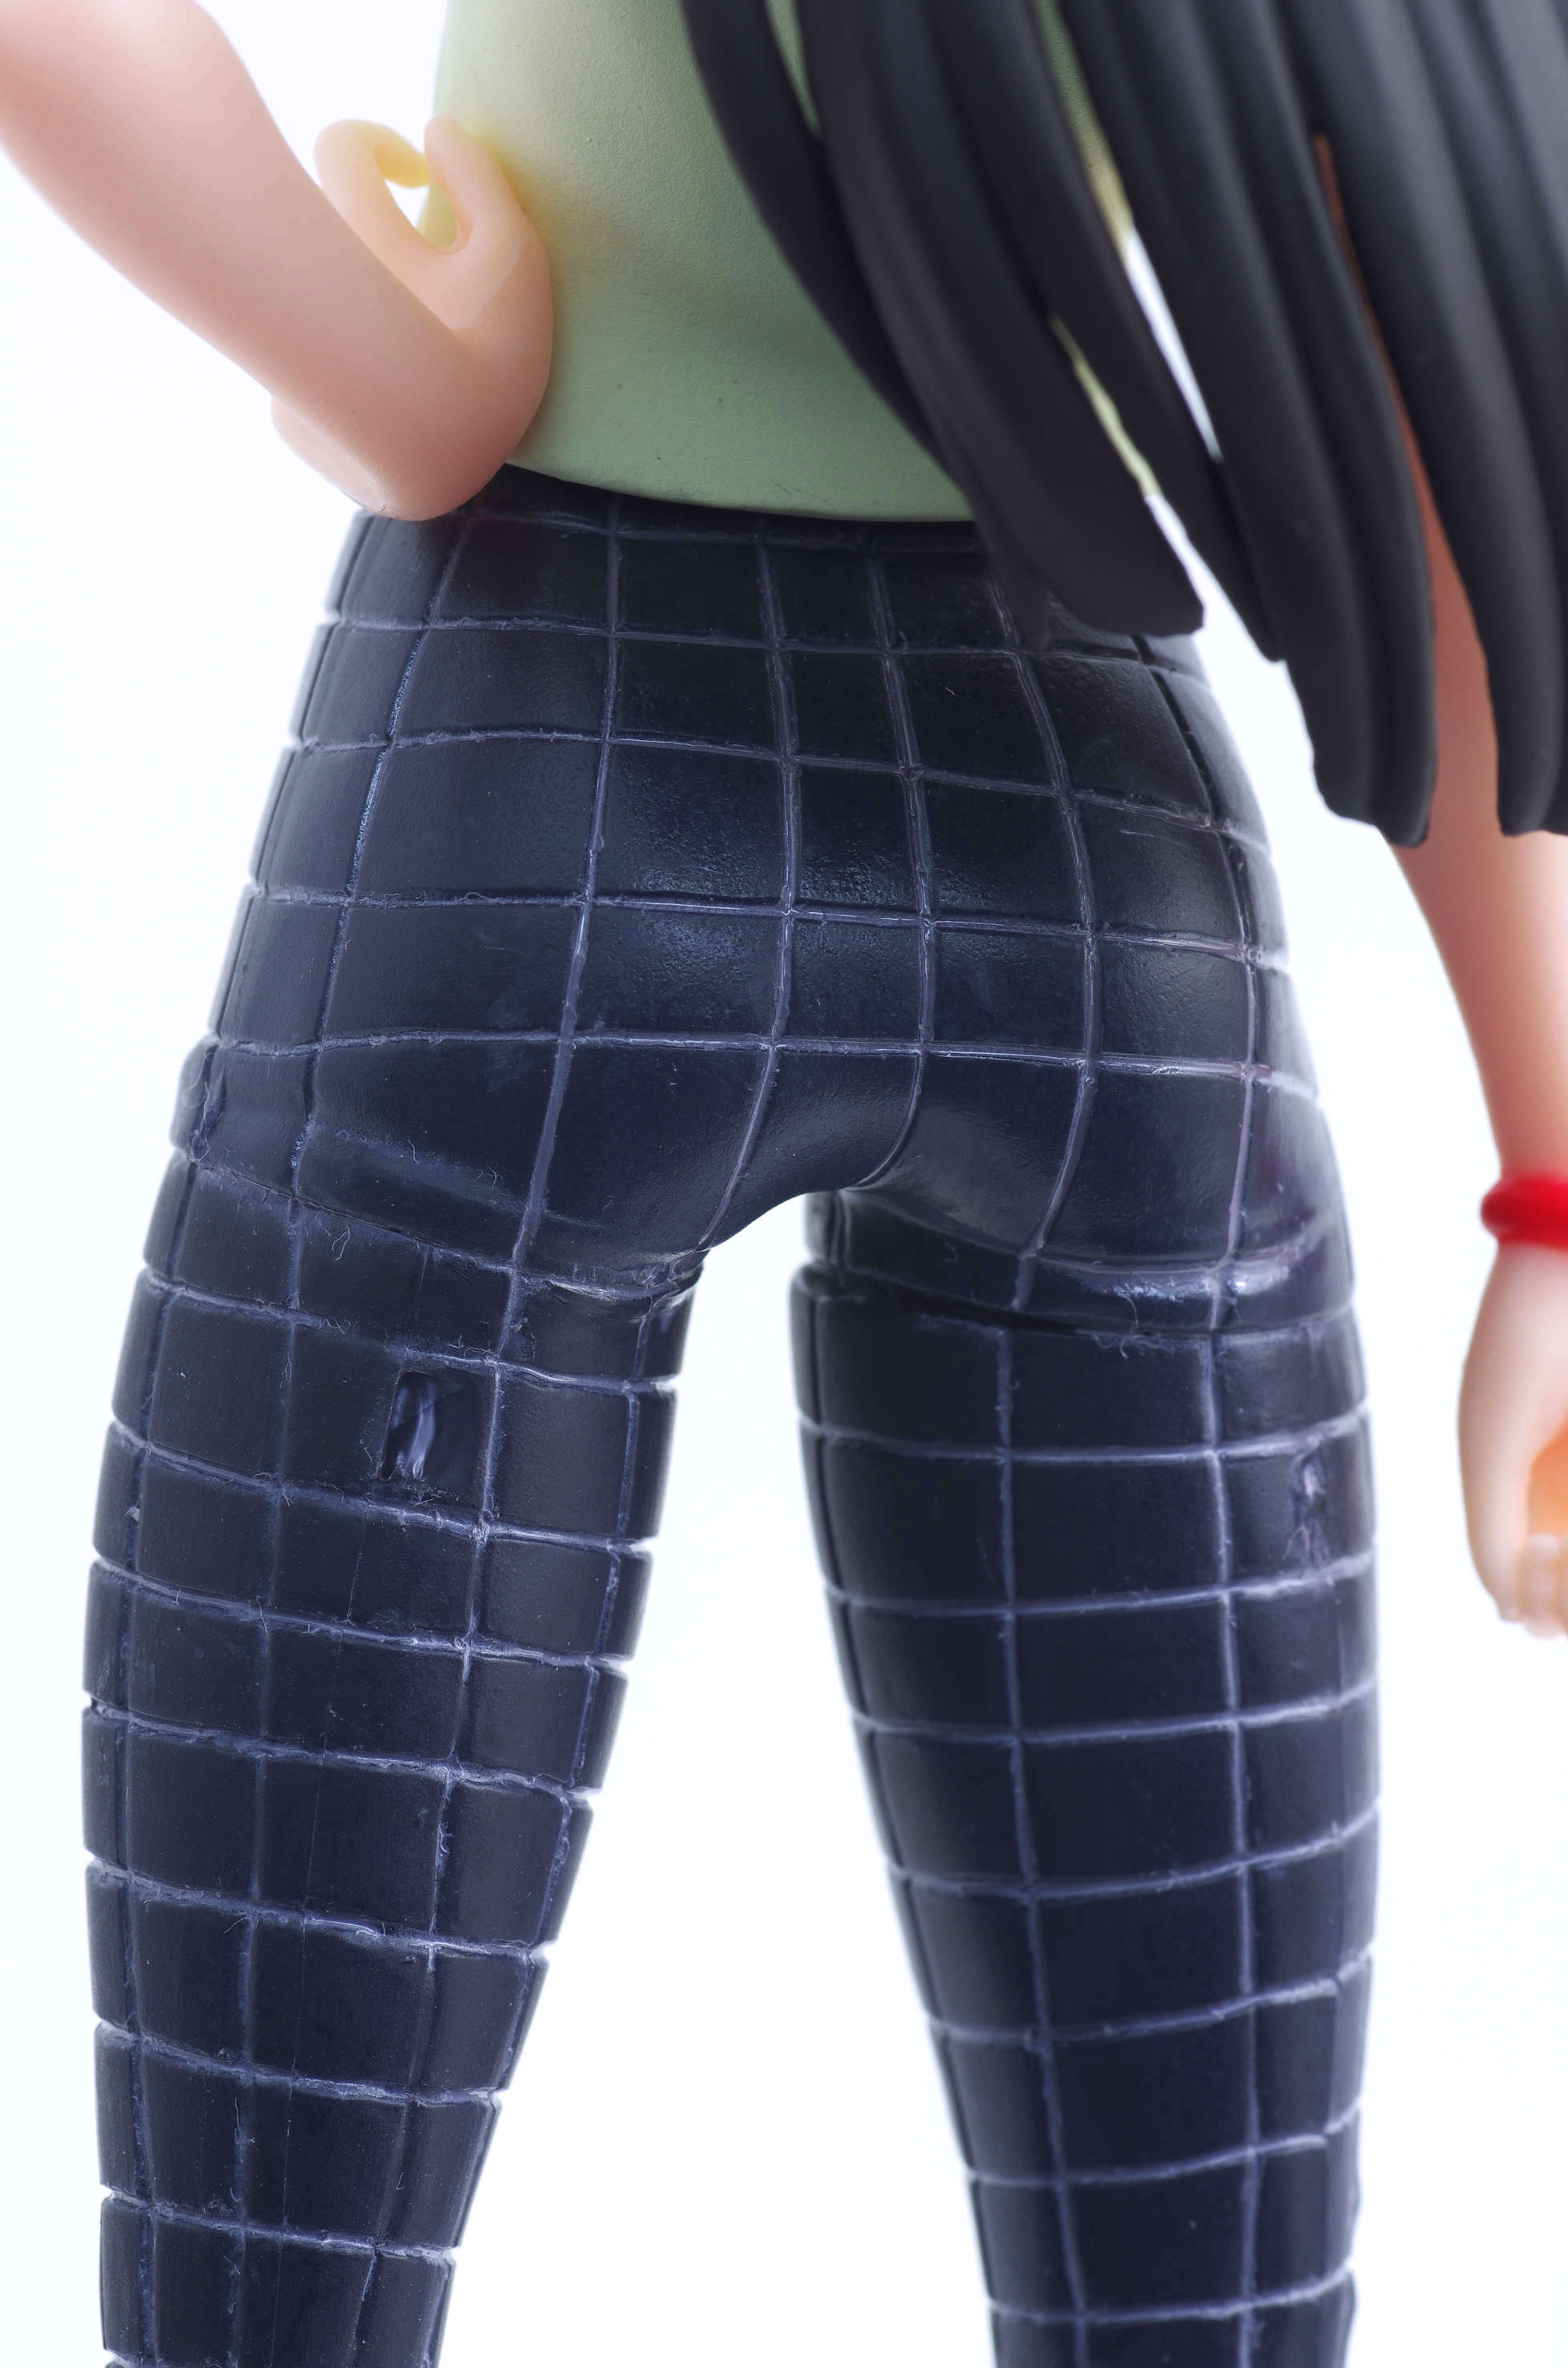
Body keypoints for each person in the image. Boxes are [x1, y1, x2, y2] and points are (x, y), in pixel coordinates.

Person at [2, 3, 1565, 2362]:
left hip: (528, 817)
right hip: (1092, 885)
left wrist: (387, 373)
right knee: (1212, 2281)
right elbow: (1433, 376)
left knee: (265, 2269)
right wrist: (1546, 1176)